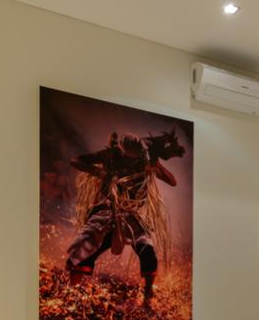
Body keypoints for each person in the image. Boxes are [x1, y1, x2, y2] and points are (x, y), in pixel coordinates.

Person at [66, 131, 181, 306]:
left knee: (147, 250)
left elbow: (172, 181)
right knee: (84, 248)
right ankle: (72, 292)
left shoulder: (145, 161)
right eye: (127, 157)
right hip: (106, 211)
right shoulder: (110, 156)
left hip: (131, 214)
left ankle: (148, 296)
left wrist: (155, 164)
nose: (130, 161)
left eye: (134, 158)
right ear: (121, 151)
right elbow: (75, 160)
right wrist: (99, 172)